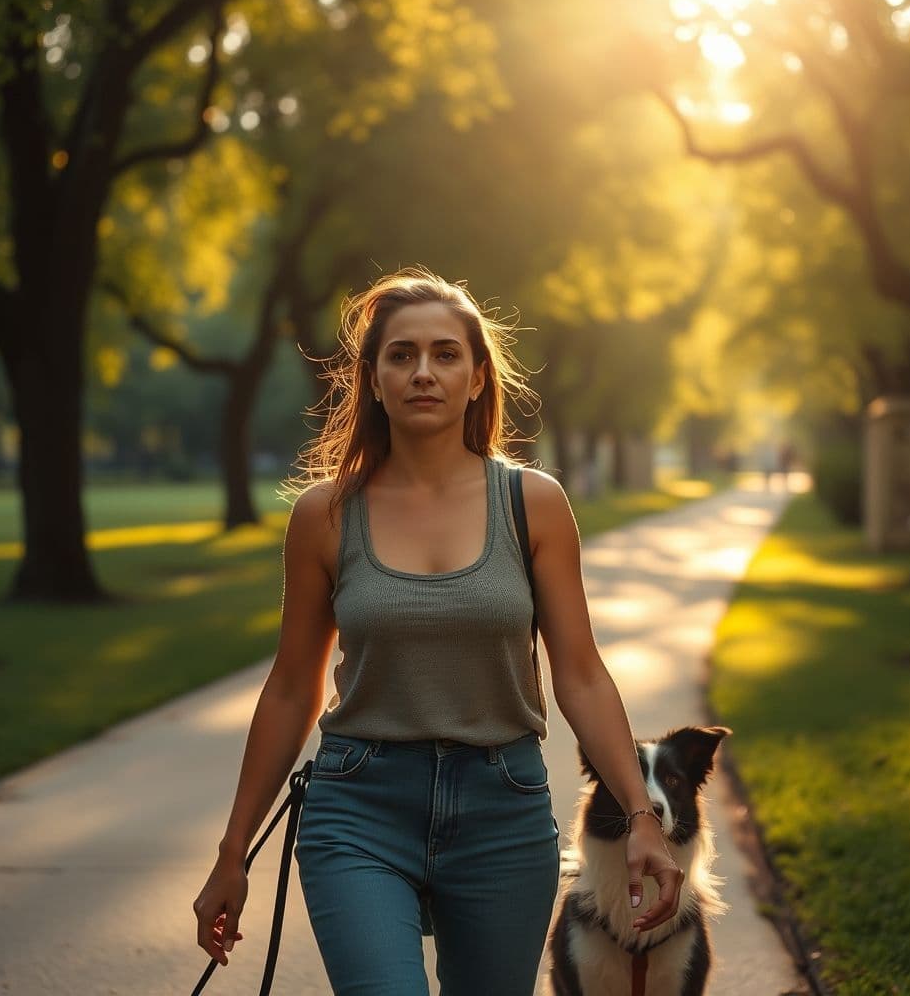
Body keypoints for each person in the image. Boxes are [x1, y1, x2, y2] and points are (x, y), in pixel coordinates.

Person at [192, 268, 684, 995]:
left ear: (479, 377)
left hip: (501, 811)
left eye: (446, 354)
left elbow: (579, 674)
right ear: (374, 378)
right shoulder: (325, 515)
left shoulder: (533, 505)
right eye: (402, 354)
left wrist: (641, 816)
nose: (424, 371)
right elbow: (292, 686)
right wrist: (234, 850)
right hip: (359, 807)